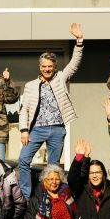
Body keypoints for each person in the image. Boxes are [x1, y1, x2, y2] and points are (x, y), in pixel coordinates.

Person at [17, 23, 85, 199]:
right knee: (23, 160)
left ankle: (50, 197)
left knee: (53, 166)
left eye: (50, 66)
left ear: (54, 67)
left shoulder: (61, 78)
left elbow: (75, 63)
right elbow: (24, 110)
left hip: (56, 129)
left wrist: (79, 41)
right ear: (40, 67)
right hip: (36, 130)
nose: (47, 69)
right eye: (44, 66)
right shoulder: (31, 85)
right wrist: (24, 130)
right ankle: (25, 195)